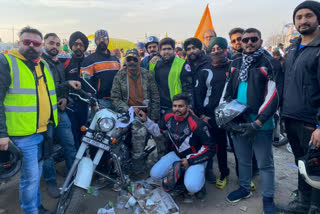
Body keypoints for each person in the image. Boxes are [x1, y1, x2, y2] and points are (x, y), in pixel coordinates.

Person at [0, 26, 59, 214]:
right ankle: (30, 211)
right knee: (30, 178)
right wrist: (1, 134)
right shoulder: (7, 62)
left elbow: (47, 94)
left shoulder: (42, 64)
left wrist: (66, 87)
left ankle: (37, 207)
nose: (32, 46)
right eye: (27, 42)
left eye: (36, 43)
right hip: (22, 134)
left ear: (40, 46)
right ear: (19, 43)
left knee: (35, 175)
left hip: (42, 130)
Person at [223, 28, 282, 214]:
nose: (248, 42)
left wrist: (258, 122)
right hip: (238, 122)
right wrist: (225, 116)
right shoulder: (236, 62)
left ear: (260, 41)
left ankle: (268, 198)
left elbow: (274, 95)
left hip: (261, 124)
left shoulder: (270, 63)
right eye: (245, 40)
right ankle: (245, 189)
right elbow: (228, 91)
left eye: (253, 39)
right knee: (243, 159)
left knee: (265, 164)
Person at [278, 1, 320, 213]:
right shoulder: (294, 48)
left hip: (311, 122)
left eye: (308, 15)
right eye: (299, 17)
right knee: (301, 163)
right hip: (291, 117)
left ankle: (314, 207)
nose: (303, 20)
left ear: (317, 18)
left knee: (315, 168)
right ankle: (302, 203)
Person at [135, 93, 215, 200]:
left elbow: (210, 149)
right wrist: (145, 120)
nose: (177, 109)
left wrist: (190, 161)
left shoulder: (198, 124)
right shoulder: (168, 116)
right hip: (176, 155)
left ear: (187, 107)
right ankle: (183, 177)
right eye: (175, 106)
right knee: (154, 174)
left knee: (192, 186)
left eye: (180, 106)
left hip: (194, 157)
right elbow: (158, 131)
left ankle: (200, 185)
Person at [111, 49, 160, 180]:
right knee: (113, 135)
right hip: (126, 113)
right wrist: (128, 109)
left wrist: (154, 118)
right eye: (129, 59)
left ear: (139, 59)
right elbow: (115, 98)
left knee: (139, 136)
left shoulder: (147, 75)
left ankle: (138, 170)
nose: (132, 62)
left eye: (135, 59)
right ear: (125, 61)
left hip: (143, 114)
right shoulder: (120, 76)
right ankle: (119, 169)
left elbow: (155, 96)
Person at [41, 33, 79, 198]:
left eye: (57, 44)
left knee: (69, 145)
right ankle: (51, 182)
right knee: (47, 152)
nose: (54, 46)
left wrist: (65, 98)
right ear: (44, 44)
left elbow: (64, 89)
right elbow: (42, 91)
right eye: (51, 43)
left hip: (60, 112)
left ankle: (73, 177)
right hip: (45, 115)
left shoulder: (59, 64)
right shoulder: (39, 64)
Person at [193, 37, 231, 189]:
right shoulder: (204, 70)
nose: (216, 52)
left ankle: (225, 173)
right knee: (208, 145)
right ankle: (207, 172)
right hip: (209, 116)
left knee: (225, 147)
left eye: (219, 48)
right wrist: (201, 115)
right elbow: (198, 94)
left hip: (228, 115)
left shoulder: (233, 67)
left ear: (225, 50)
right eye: (212, 49)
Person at [183, 37, 216, 183]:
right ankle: (193, 170)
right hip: (192, 109)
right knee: (193, 141)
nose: (191, 51)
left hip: (208, 110)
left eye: (194, 48)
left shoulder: (209, 63)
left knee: (209, 141)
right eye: (188, 49)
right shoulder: (185, 65)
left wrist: (204, 113)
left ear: (200, 48)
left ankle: (208, 170)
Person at [59, 31, 89, 149]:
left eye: (81, 45)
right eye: (75, 44)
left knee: (83, 130)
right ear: (71, 45)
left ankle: (81, 157)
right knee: (72, 134)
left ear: (85, 47)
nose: (78, 47)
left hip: (84, 103)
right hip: (68, 103)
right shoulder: (64, 61)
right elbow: (60, 81)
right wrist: (64, 97)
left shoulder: (89, 62)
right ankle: (74, 160)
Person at [80, 29, 121, 109]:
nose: (102, 40)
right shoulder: (89, 60)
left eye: (104, 38)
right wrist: (94, 103)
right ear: (95, 41)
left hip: (117, 101)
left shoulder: (115, 59)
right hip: (100, 102)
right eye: (99, 38)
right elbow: (85, 83)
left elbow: (121, 79)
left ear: (108, 40)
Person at [152, 37, 194, 114]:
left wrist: (189, 106)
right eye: (164, 49)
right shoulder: (154, 64)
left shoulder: (182, 64)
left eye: (169, 49)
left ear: (174, 50)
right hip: (158, 108)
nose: (166, 51)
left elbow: (188, 89)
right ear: (160, 51)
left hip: (176, 108)